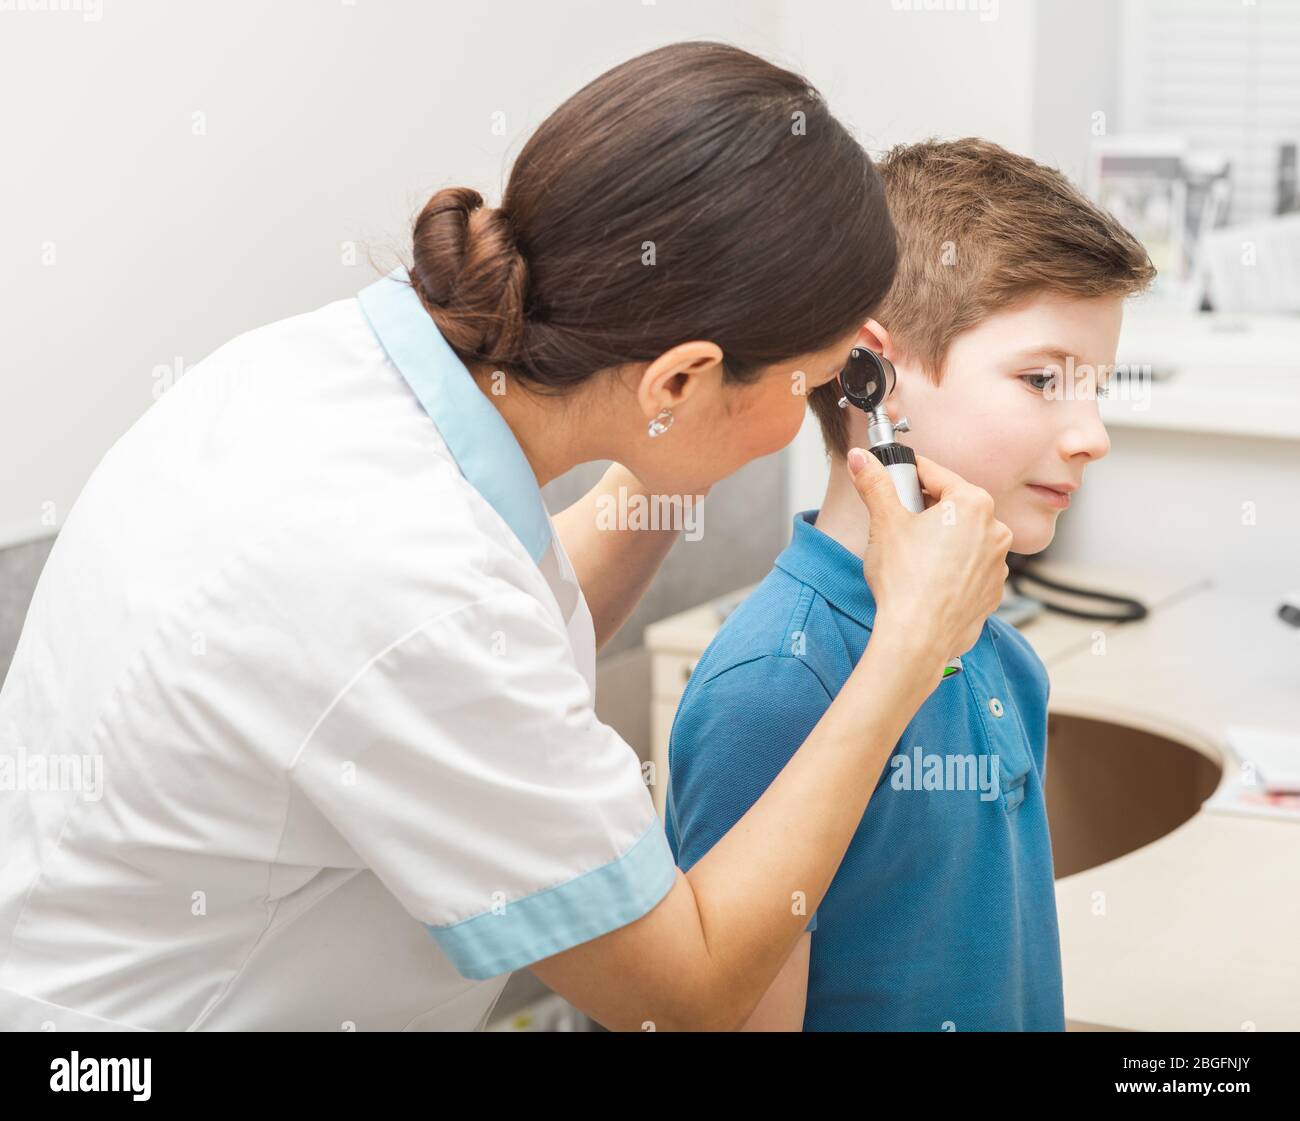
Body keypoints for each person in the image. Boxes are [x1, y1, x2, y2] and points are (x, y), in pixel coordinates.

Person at [0, 47, 1011, 1032]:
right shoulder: (407, 583)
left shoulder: (319, 365)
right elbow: (685, 992)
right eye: (807, 382)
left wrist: (669, 459)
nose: (810, 416)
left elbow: (487, 640)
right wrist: (907, 647)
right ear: (680, 380)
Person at [666, 138, 1156, 1031]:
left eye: (1097, 391)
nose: (1092, 435)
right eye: (1044, 379)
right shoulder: (777, 685)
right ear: (870, 373)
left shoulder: (1001, 655)